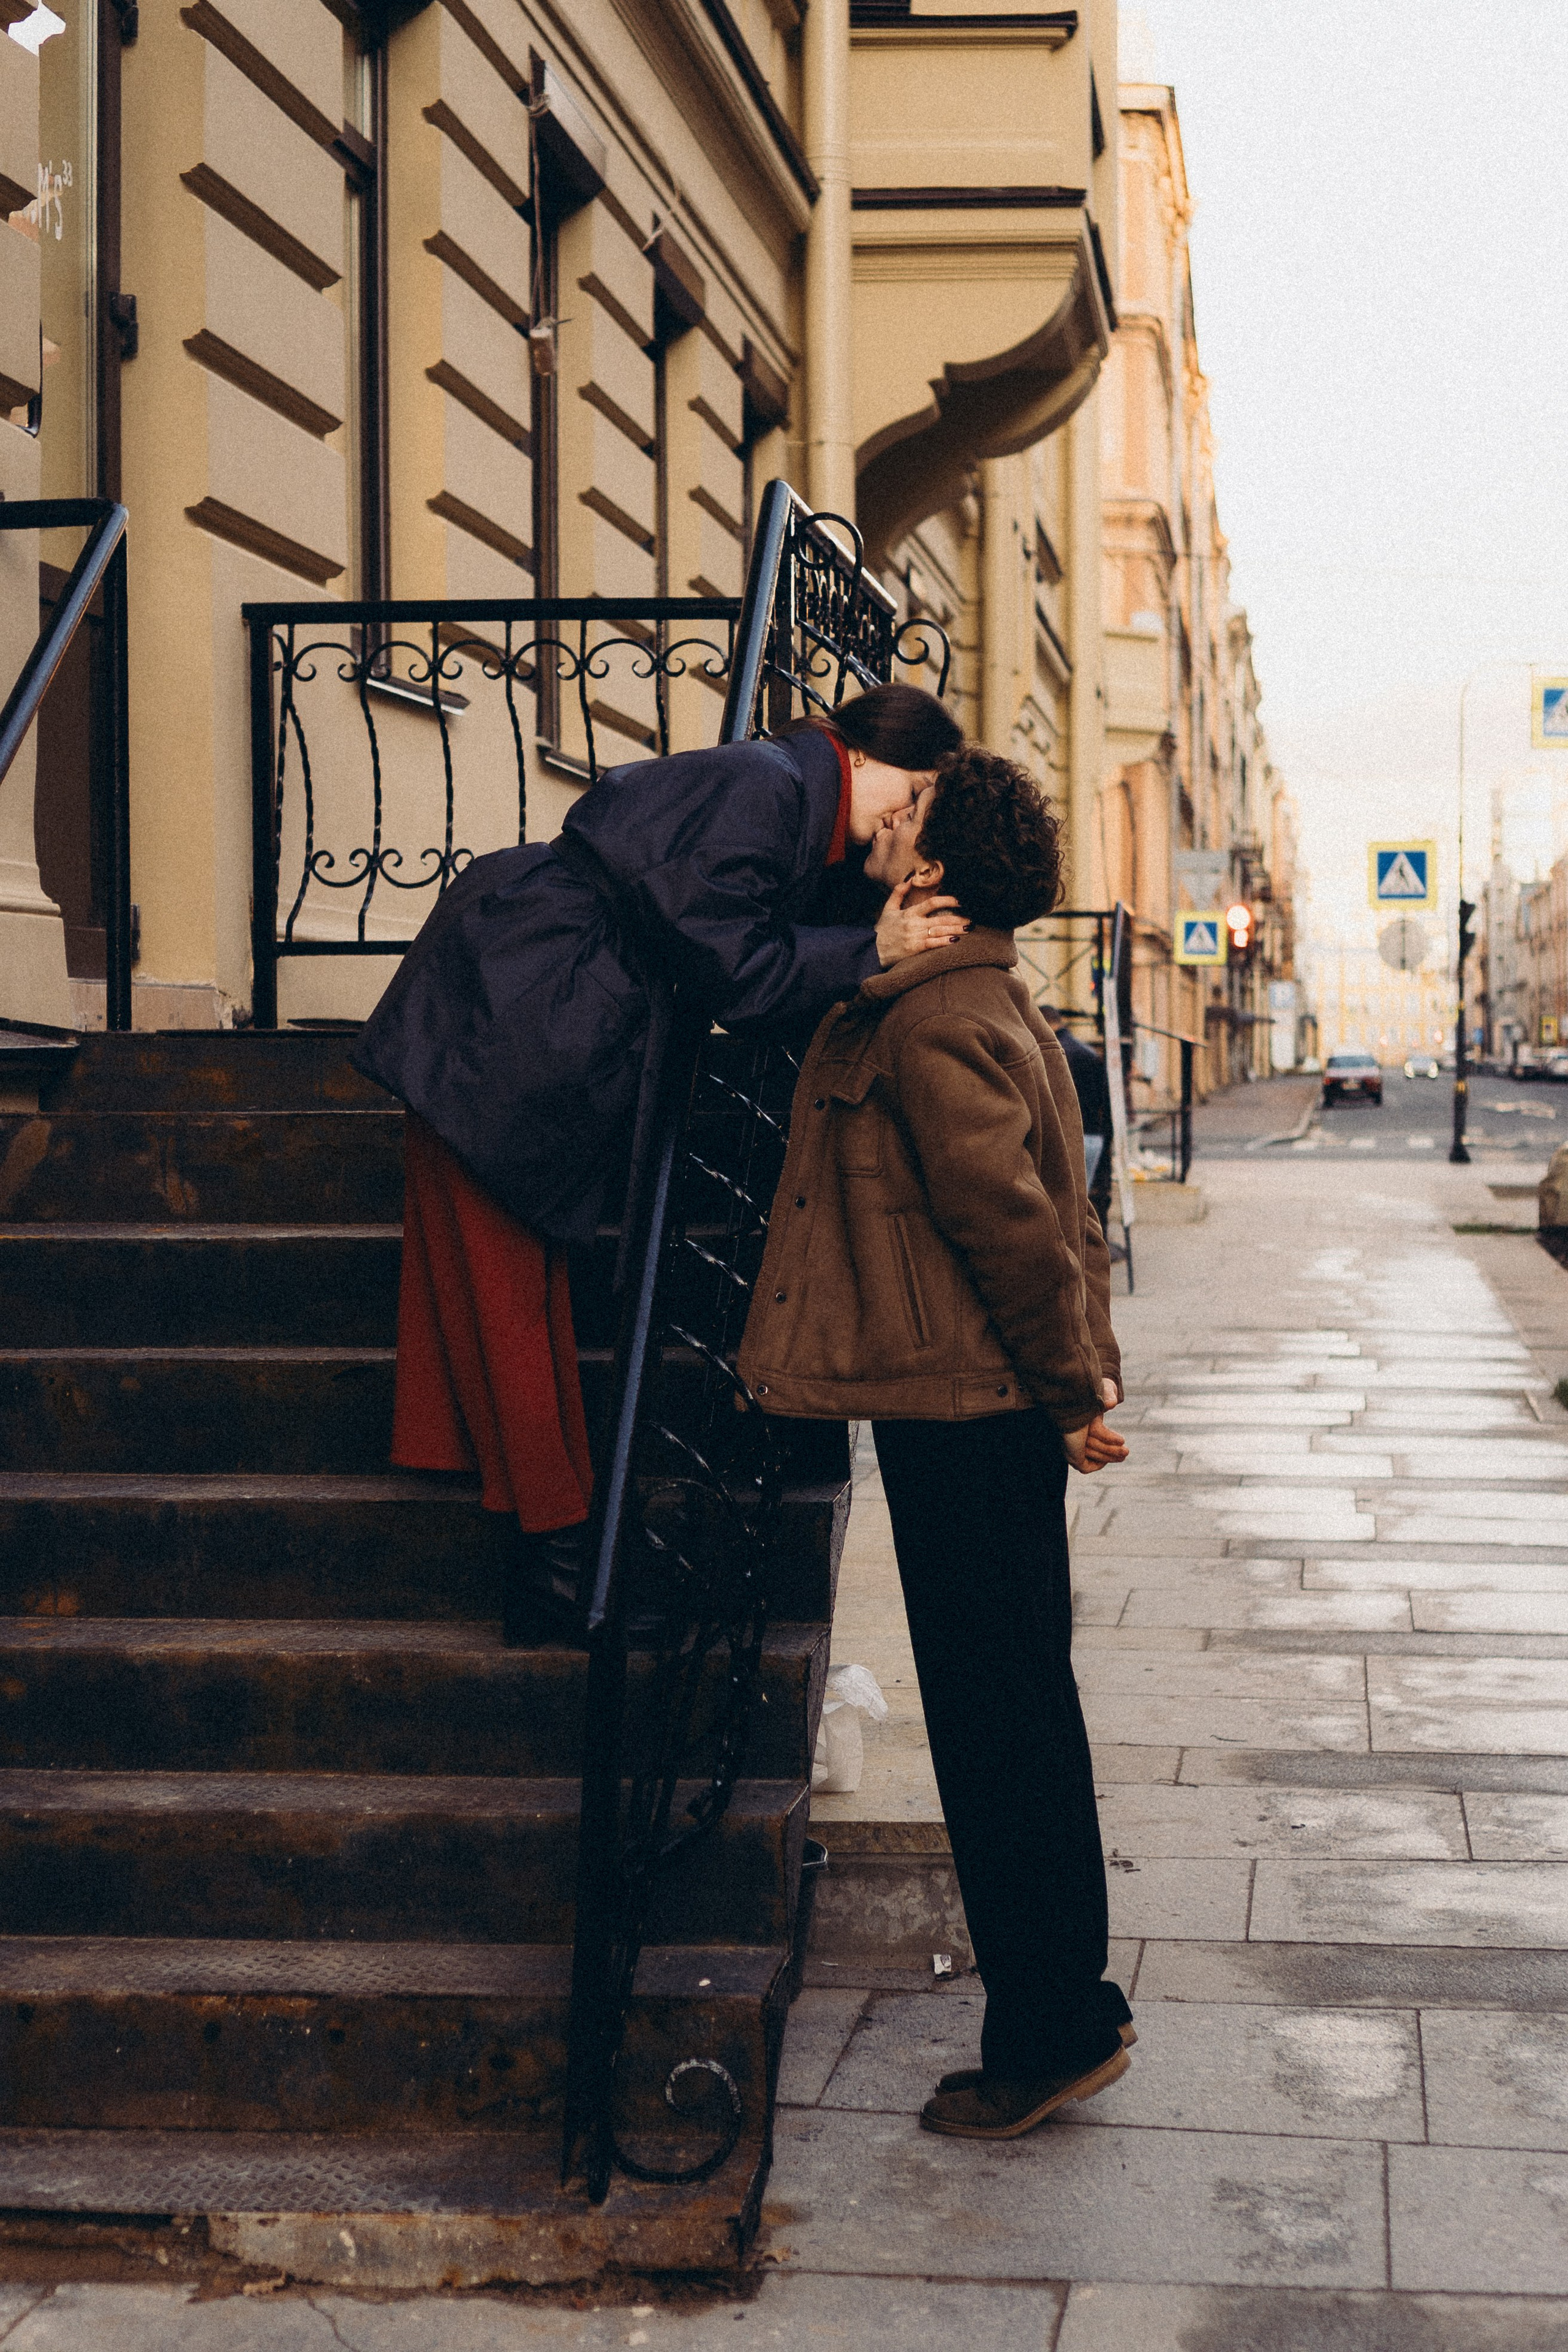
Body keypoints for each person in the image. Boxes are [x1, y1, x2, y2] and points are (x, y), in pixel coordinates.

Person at [352, 683, 966, 1632]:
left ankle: (559, 1557)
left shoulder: (788, 799)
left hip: (528, 998)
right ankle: (558, 1572)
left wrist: (878, 906)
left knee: (508, 1295)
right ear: (867, 753)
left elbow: (736, 935)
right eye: (915, 789)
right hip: (518, 1006)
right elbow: (737, 968)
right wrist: (869, 946)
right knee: (503, 1298)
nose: (906, 813)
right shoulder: (767, 787)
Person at [737, 750, 1133, 2139]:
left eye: (901, 821)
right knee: (1023, 1706)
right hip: (979, 1404)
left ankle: (1044, 2028)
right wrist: (1071, 1383)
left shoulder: (931, 1022)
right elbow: (1059, 1209)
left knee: (995, 1724)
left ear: (939, 869)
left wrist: (1070, 1384)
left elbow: (1018, 1224)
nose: (879, 831)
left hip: (963, 1411)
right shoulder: (979, 997)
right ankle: (1070, 2001)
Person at [1041, 1004, 1114, 1233]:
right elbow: (1104, 1100)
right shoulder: (1086, 1052)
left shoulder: (1052, 1054)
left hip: (1068, 1137)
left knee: (1065, 1210)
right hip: (1092, 1135)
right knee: (1079, 1204)